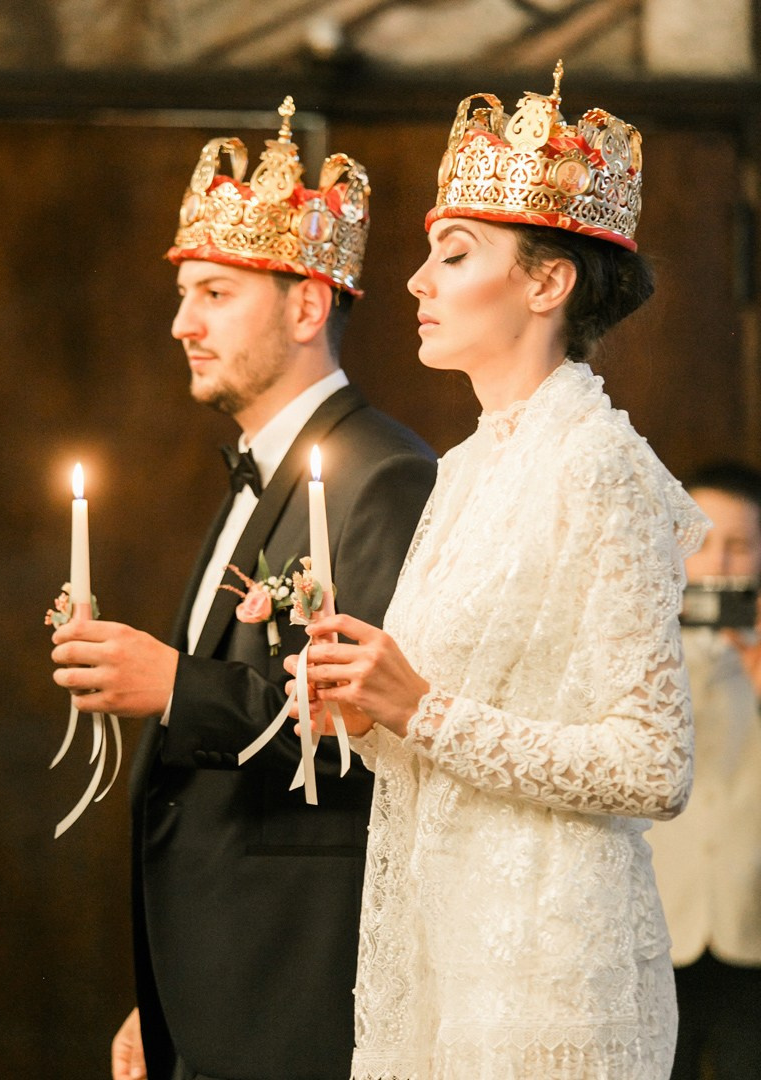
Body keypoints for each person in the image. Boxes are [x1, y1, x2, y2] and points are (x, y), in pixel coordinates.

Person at [286, 63, 709, 1079]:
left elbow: (654, 765)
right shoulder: (469, 465)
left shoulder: (599, 465)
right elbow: (461, 719)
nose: (417, 282)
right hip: (449, 944)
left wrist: (420, 710)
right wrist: (368, 714)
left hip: (552, 976)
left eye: (453, 254)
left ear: (546, 281)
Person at [49, 99, 436, 1080]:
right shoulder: (261, 467)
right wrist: (167, 1000)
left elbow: (373, 726)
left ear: (307, 306)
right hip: (214, 980)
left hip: (297, 977)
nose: (182, 323)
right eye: (186, 294)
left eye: (216, 292)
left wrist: (175, 685)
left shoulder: (379, 474)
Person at [647, 462, 761, 1080]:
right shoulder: (643, 652)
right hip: (666, 922)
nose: (719, 564)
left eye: (740, 546)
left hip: (754, 919)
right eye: (703, 544)